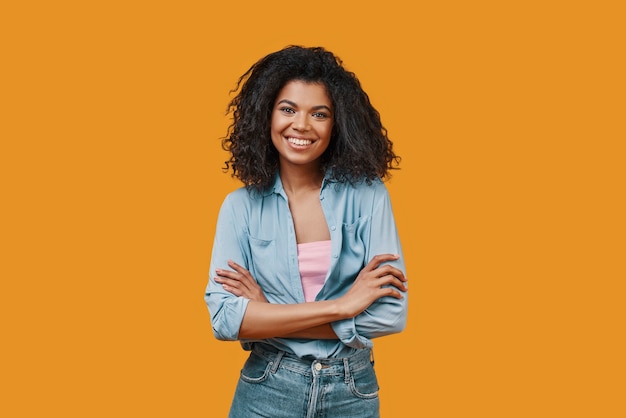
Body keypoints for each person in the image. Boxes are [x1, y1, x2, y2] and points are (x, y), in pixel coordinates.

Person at [204, 45, 408, 418]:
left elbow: (391, 315)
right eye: (287, 109)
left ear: (337, 123)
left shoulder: (369, 196)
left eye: (319, 113)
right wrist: (342, 307)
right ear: (266, 115)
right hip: (267, 388)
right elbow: (225, 320)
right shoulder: (240, 207)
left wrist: (265, 316)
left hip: (352, 391)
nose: (301, 125)